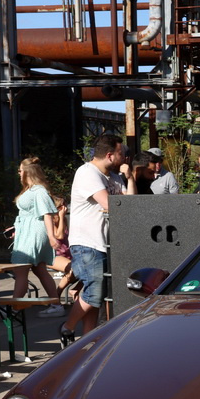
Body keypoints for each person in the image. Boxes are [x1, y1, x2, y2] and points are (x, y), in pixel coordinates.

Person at [59, 134, 136, 348]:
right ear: (110, 155)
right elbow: (111, 205)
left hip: (106, 243)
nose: (125, 157)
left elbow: (131, 205)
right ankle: (67, 327)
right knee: (95, 291)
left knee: (97, 297)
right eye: (121, 153)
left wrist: (130, 178)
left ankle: (87, 342)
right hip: (87, 243)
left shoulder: (115, 177)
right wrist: (122, 200)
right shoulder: (87, 173)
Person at [8, 157, 66, 317]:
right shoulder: (32, 190)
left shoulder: (39, 191)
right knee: (39, 269)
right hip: (28, 232)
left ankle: (14, 308)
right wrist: (17, 229)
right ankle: (56, 305)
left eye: (20, 170)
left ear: (27, 172)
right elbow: (28, 214)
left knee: (20, 269)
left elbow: (47, 214)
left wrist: (52, 236)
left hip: (34, 234)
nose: (19, 173)